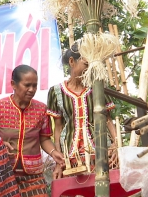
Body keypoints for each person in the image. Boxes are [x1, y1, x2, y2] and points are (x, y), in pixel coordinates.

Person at [0, 65, 65, 197]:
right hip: (4, 175)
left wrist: (53, 153)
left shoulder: (41, 109)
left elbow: (44, 139)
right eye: (27, 85)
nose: (32, 89)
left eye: (35, 85)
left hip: (33, 177)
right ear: (13, 84)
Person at [47, 42, 117, 179]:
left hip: (101, 154)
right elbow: (58, 127)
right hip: (71, 159)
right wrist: (58, 162)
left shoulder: (97, 86)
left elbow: (108, 119)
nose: (89, 69)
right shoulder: (56, 92)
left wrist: (116, 144)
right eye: (86, 64)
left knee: (104, 193)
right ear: (72, 61)